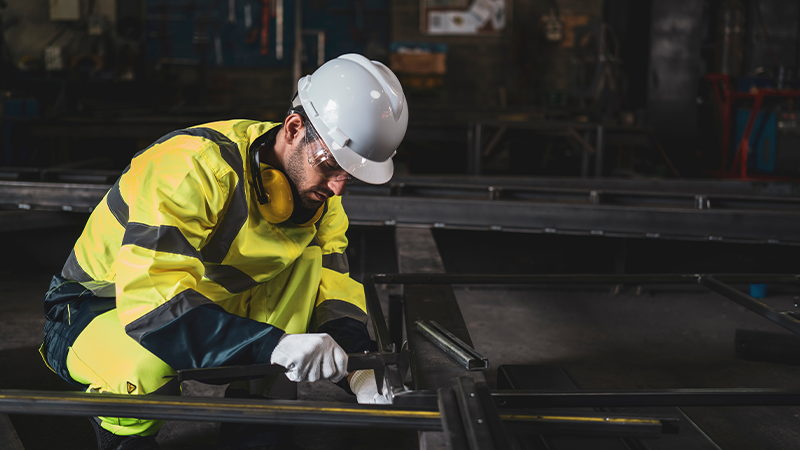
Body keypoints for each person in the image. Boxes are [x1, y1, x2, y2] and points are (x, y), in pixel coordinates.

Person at [39, 53, 408, 450]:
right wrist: (274, 345)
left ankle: (261, 425)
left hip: (202, 304)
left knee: (305, 263)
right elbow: (151, 304)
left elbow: (332, 288)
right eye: (330, 166)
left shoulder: (319, 202)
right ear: (294, 127)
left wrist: (359, 366)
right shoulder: (190, 169)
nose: (337, 189)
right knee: (143, 368)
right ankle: (123, 437)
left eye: (348, 176)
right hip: (95, 308)